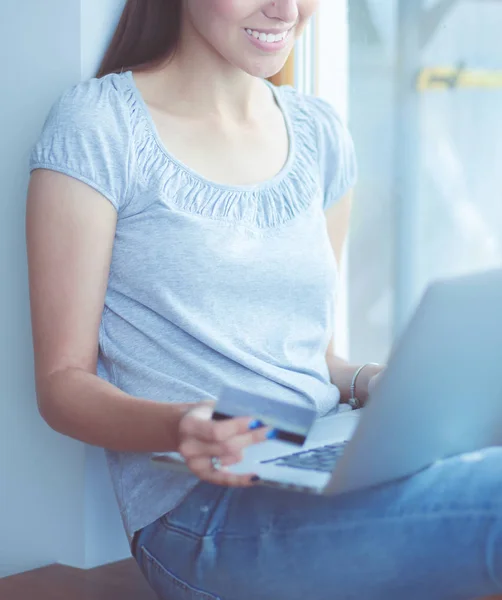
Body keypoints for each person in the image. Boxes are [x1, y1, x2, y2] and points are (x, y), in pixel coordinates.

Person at [25, 1, 502, 599]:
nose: (288, 8)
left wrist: (378, 383)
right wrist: (182, 425)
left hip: (318, 453)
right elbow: (62, 383)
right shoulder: (99, 124)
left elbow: (314, 357)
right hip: (201, 518)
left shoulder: (319, 132)